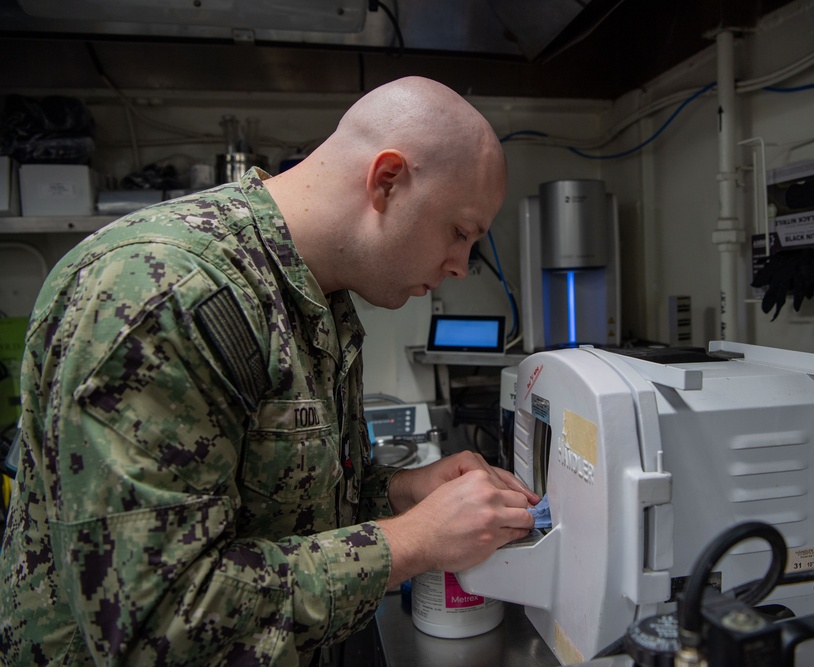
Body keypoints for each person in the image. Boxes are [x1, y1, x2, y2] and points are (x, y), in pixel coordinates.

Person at [0, 76, 538, 665]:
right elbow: (159, 626)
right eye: (460, 233)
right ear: (387, 182)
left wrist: (404, 494)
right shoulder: (164, 291)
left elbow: (289, 508)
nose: (461, 266)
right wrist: (412, 542)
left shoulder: (315, 297)